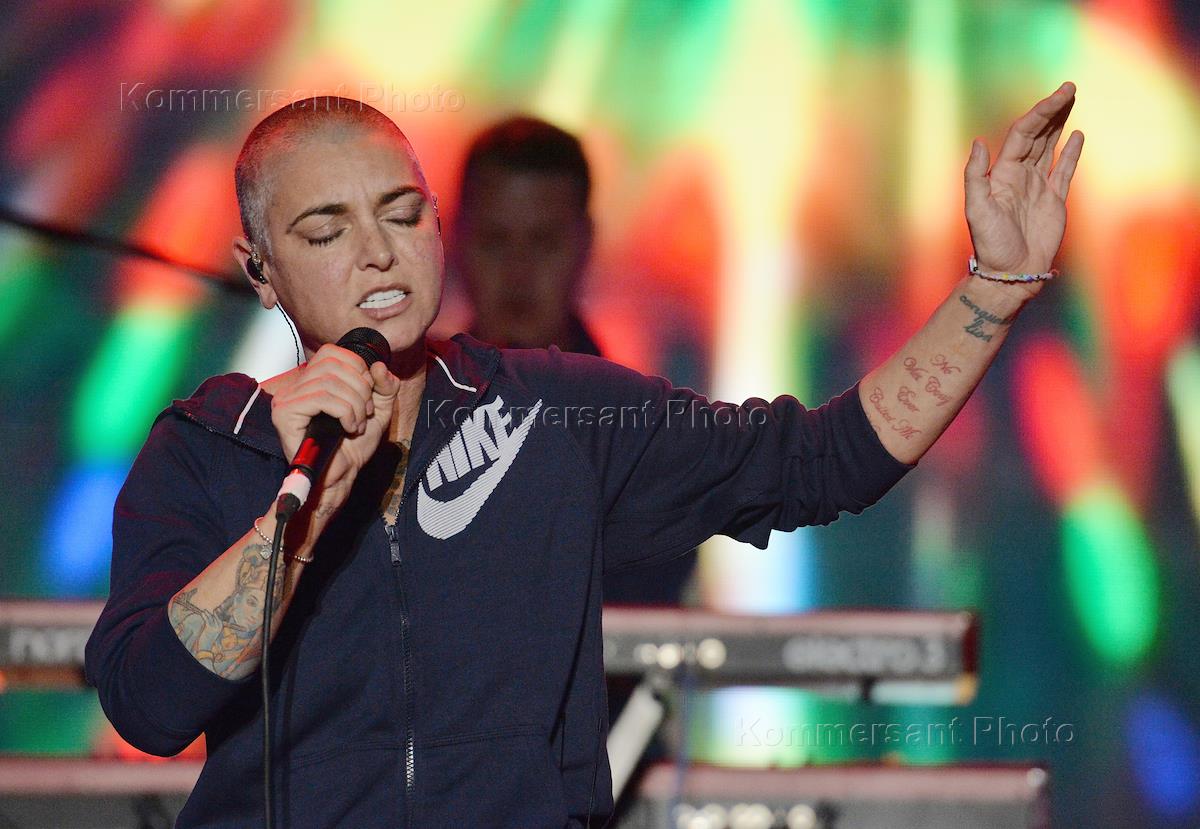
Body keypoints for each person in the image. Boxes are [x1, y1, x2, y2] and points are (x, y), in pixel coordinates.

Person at [84, 88, 1083, 828]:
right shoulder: (209, 445)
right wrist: (297, 515)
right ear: (259, 269)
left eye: (401, 211)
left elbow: (819, 460)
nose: (379, 251)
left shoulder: (552, 410)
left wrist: (993, 288)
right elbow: (150, 703)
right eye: (325, 230)